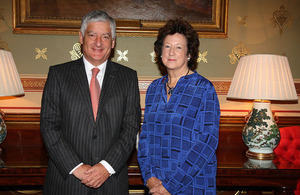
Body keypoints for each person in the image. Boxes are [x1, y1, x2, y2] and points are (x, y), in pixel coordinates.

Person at [40, 10, 141, 194]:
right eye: (92, 35)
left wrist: (106, 167)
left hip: (112, 182)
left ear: (113, 42)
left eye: (105, 36)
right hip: (66, 182)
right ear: (81, 37)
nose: (98, 42)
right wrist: (76, 167)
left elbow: (130, 127)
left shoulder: (128, 77)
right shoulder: (58, 75)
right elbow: (49, 126)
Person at [137, 19, 220, 195]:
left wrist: (170, 186)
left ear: (189, 53)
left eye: (179, 47)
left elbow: (207, 142)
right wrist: (150, 178)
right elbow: (145, 138)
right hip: (156, 185)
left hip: (193, 185)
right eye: (167, 46)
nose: (171, 52)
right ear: (160, 52)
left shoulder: (204, 88)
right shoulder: (153, 88)